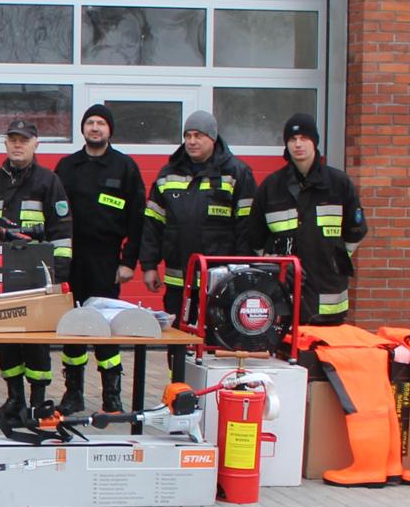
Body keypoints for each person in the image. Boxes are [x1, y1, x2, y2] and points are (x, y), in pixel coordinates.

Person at [140, 110, 259, 379]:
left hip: (219, 281)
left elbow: (246, 227)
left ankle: (212, 393)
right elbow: (152, 223)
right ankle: (178, 389)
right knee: (178, 340)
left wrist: (242, 272)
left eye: (198, 136)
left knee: (216, 339)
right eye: (188, 136)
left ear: (213, 138)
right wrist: (148, 266)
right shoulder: (168, 173)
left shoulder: (236, 173)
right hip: (177, 280)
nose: (192, 141)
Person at [52, 104, 146, 413]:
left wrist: (128, 262)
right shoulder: (66, 167)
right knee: (74, 326)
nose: (95, 128)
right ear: (83, 129)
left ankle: (111, 394)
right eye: (90, 122)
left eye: (101, 123)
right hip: (71, 258)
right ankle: (73, 392)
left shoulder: (124, 168)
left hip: (107, 259)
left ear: (109, 131)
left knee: (106, 326)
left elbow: (137, 219)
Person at [0, 119, 73, 422]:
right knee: (6, 342)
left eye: (24, 140)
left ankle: (37, 402)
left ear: (36, 144)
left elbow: (61, 233)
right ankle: (14, 399)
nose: (17, 145)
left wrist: (57, 277)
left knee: (35, 344)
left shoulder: (49, 181)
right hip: (2, 276)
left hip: (38, 277)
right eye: (12, 139)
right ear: (5, 143)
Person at [251, 113, 367, 325]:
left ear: (315, 142)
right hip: (283, 294)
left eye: (304, 138)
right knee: (284, 355)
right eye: (293, 139)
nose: (298, 144)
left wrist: (336, 259)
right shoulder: (271, 186)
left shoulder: (338, 183)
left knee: (325, 353)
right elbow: (255, 237)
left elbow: (357, 230)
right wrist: (276, 264)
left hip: (328, 295)